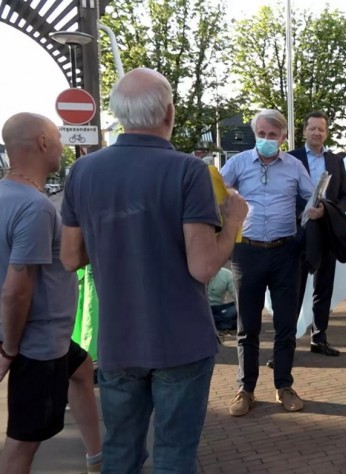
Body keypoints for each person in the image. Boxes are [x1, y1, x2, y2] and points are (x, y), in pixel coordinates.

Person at [60, 68, 247, 473]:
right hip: (180, 339)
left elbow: (71, 258)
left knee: (121, 451)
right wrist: (232, 221)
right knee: (174, 453)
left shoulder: (83, 172)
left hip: (118, 340)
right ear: (169, 113)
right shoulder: (188, 171)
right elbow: (202, 267)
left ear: (119, 115)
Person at [0, 112, 100, 474]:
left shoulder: (8, 195)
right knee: (23, 443)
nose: (61, 146)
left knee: (82, 369)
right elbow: (17, 291)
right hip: (37, 343)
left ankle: (96, 457)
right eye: (57, 138)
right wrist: (9, 350)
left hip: (49, 338)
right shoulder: (36, 207)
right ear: (43, 143)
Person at [220, 109, 320, 417]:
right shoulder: (236, 163)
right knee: (247, 326)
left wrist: (318, 209)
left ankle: (284, 385)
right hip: (246, 253)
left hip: (284, 252)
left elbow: (312, 196)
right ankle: (245, 389)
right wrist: (227, 195)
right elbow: (213, 194)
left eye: (272, 135)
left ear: (283, 137)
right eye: (261, 134)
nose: (266, 140)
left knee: (285, 325)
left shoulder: (294, 166)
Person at [288, 111, 346, 357]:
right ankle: (287, 342)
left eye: (321, 129)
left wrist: (329, 211)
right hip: (298, 231)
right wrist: (302, 211)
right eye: (312, 128)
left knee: (323, 286)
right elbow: (284, 193)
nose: (316, 133)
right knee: (294, 288)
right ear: (304, 130)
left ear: (326, 132)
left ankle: (319, 337)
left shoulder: (336, 161)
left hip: (325, 229)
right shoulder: (291, 159)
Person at [208, 267, 237, 332]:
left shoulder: (226, 274)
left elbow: (238, 296)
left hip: (221, 309)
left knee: (237, 308)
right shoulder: (193, 272)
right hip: (200, 309)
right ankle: (224, 324)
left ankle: (211, 322)